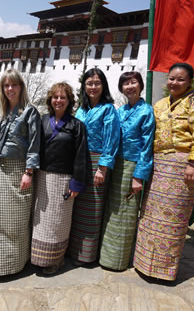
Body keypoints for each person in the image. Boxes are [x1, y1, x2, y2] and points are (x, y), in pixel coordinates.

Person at [134, 62, 194, 281]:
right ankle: (144, 264)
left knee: (173, 221)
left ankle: (163, 271)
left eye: (180, 79)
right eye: (171, 78)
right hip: (158, 167)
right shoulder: (160, 105)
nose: (174, 83)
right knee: (150, 217)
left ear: (190, 81)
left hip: (182, 168)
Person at [99, 72, 155, 271]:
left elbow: (147, 146)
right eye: (125, 83)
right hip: (116, 165)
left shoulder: (146, 111)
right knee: (112, 211)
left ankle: (118, 260)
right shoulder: (120, 111)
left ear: (140, 85)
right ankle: (105, 256)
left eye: (133, 82)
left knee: (126, 213)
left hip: (132, 166)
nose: (129, 86)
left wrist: (139, 176)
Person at [31, 82, 89, 275]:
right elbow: (34, 148)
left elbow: (81, 156)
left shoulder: (76, 125)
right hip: (43, 179)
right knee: (41, 221)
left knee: (59, 222)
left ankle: (56, 260)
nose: (58, 100)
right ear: (50, 100)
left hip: (64, 180)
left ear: (69, 101)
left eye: (63, 97)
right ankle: (39, 258)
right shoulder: (42, 120)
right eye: (55, 97)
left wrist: (76, 182)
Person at [0, 69, 41, 277]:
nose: (10, 89)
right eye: (6, 86)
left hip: (20, 170)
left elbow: (35, 144)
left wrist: (28, 171)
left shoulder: (30, 112)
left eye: (14, 85)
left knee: (17, 222)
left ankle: (16, 264)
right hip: (1, 170)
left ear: (21, 87)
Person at [70, 68, 120, 266]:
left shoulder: (109, 109)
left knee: (94, 207)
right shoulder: (82, 109)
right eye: (89, 83)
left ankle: (87, 255)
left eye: (97, 83)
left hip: (97, 162)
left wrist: (103, 168)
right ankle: (73, 250)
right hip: (80, 161)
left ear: (103, 85)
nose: (93, 87)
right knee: (78, 206)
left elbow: (112, 140)